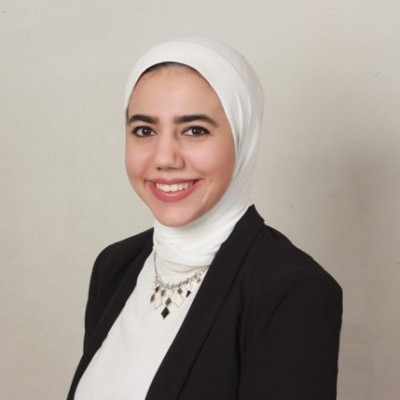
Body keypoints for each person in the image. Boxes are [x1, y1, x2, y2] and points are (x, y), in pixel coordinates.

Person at [67, 37, 342, 400]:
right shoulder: (115, 265)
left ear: (242, 138)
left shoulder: (291, 291)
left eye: (194, 130)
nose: (164, 158)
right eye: (145, 130)